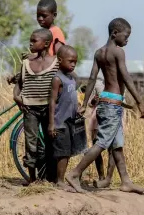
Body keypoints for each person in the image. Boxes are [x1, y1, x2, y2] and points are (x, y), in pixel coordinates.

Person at [65, 18, 144, 194]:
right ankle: (75, 173)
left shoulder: (98, 52)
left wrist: (85, 103)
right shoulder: (118, 52)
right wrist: (140, 102)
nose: (128, 40)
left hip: (105, 102)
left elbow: (92, 78)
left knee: (117, 145)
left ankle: (125, 181)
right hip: (112, 105)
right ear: (115, 33)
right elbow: (126, 76)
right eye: (126, 36)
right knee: (102, 143)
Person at [13, 28, 59, 184]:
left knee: (50, 142)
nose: (30, 44)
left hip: (49, 108)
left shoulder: (56, 63)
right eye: (30, 40)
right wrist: (16, 97)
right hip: (29, 108)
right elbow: (19, 85)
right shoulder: (26, 63)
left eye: (34, 41)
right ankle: (32, 178)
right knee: (30, 142)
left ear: (46, 44)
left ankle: (51, 177)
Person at [7, 0, 66, 85]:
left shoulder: (56, 32)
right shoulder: (42, 34)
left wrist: (33, 57)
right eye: (38, 15)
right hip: (44, 72)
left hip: (51, 75)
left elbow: (61, 58)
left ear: (54, 15)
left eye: (44, 16)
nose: (40, 18)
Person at [48, 45, 80, 192]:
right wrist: (51, 123)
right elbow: (52, 101)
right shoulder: (57, 79)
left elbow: (71, 98)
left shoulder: (71, 78)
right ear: (59, 60)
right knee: (63, 152)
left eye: (75, 62)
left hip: (70, 121)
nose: (73, 64)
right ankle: (60, 181)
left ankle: (58, 179)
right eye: (70, 61)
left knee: (66, 151)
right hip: (60, 122)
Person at [87, 78, 116, 188]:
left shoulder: (118, 81)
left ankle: (108, 178)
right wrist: (94, 100)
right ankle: (101, 176)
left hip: (113, 117)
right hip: (97, 118)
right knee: (96, 146)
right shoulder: (97, 83)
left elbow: (123, 101)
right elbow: (90, 103)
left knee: (112, 149)